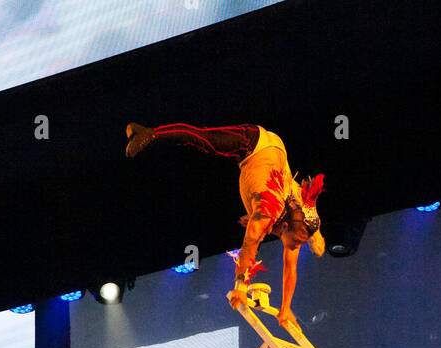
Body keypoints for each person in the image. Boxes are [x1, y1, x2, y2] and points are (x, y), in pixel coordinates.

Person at [125, 121, 325, 332]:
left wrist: (286, 309)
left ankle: (317, 236)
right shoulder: (268, 212)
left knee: (307, 223)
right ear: (285, 227)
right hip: (256, 143)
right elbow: (249, 246)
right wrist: (240, 286)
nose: (294, 248)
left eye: (298, 244)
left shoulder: (299, 222)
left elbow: (291, 269)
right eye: (295, 243)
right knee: (204, 141)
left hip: (275, 169)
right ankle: (150, 134)